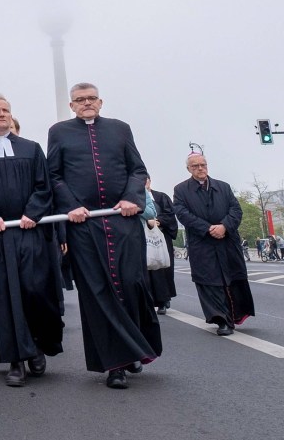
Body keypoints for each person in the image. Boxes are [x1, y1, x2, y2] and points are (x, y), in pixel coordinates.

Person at [47, 83, 161, 389]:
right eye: (79, 100)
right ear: (72, 106)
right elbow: (54, 175)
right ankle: (116, 366)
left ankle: (133, 346)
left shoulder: (120, 129)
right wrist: (71, 206)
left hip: (121, 219)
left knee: (130, 282)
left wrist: (130, 198)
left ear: (101, 101)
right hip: (84, 225)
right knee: (97, 291)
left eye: (91, 99)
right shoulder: (58, 132)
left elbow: (137, 170)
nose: (86, 103)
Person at [0, 95, 63, 388]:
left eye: (6, 110)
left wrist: (32, 213)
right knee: (3, 296)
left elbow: (43, 186)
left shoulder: (32, 149)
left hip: (29, 232)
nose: (2, 114)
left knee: (34, 289)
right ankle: (15, 360)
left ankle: (36, 345)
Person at [173, 153, 255, 336]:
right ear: (189, 169)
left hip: (227, 241)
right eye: (195, 166)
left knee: (233, 277)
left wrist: (224, 226)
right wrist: (209, 228)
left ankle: (235, 315)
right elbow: (182, 214)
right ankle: (221, 320)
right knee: (210, 282)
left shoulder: (223, 187)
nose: (200, 168)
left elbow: (235, 209)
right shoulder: (180, 190)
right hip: (202, 243)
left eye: (203, 164)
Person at [146, 178, 178, 315]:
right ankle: (148, 301)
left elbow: (170, 215)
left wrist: (158, 222)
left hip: (161, 238)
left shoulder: (161, 197)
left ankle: (163, 301)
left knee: (162, 268)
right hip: (142, 238)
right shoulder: (133, 198)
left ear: (149, 181)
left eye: (145, 180)